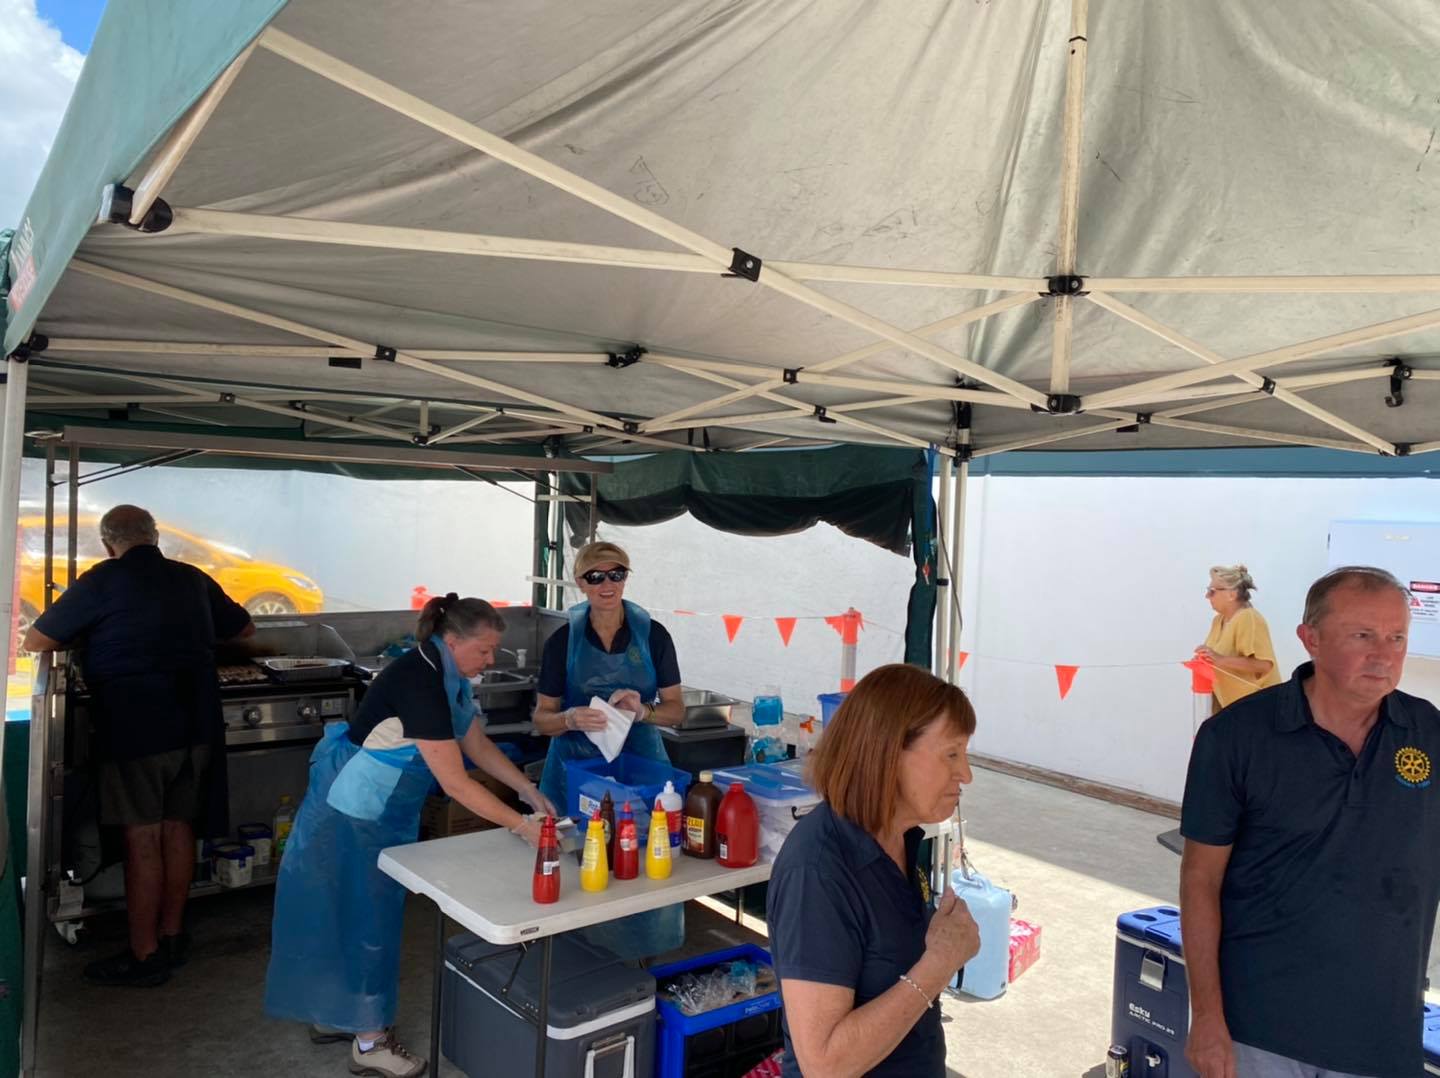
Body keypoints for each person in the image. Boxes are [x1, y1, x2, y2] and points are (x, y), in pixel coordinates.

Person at [264, 594, 556, 1078]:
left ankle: (336, 1014)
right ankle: (370, 1040)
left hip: (381, 804)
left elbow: (475, 742)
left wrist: (527, 788)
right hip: (357, 810)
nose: (489, 660)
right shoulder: (421, 680)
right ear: (452, 639)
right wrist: (521, 826)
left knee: (345, 911)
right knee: (365, 919)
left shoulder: (448, 676)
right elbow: (456, 782)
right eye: (484, 650)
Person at [1180, 566, 1440, 1078]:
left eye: (1396, 637)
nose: (1383, 654)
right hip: (1257, 1032)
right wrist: (1207, 1017)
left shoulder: (1429, 732)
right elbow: (1199, 880)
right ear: (1310, 639)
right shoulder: (1235, 737)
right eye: (1362, 635)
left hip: (1382, 1033)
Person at [23, 505, 254, 988]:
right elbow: (245, 629)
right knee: (178, 831)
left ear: (110, 543)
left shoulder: (102, 580)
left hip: (138, 728)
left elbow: (37, 639)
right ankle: (171, 935)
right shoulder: (191, 577)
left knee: (142, 838)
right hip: (197, 726)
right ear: (154, 537)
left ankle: (145, 954)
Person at [767, 663, 981, 1078]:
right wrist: (940, 963)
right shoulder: (817, 872)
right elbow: (824, 1065)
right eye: (951, 754)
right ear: (886, 753)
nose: (966, 774)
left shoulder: (904, 839)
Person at [1194, 564, 1282, 713]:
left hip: (1260, 709)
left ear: (1232, 594)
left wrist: (1219, 659)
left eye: (1212, 591)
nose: (1207, 596)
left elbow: (1264, 665)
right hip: (1233, 709)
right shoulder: (1218, 621)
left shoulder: (1248, 618)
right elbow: (1215, 662)